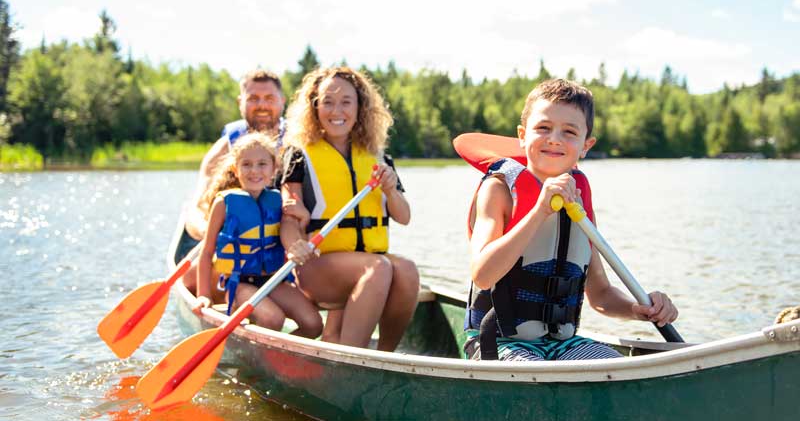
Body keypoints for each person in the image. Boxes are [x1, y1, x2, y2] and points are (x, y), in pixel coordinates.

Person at [463, 79, 678, 361]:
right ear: (522, 135)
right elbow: (483, 273)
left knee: (619, 369)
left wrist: (636, 309)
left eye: (569, 132)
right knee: (536, 376)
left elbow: (600, 295)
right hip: (496, 340)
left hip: (562, 345)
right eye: (543, 128)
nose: (554, 139)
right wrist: (539, 211)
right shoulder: (499, 191)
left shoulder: (579, 200)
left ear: (586, 145)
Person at [280, 66, 420, 350]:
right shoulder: (299, 155)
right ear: (315, 106)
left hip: (367, 263)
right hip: (318, 266)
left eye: (346, 101)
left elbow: (403, 216)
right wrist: (294, 244)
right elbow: (289, 214)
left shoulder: (378, 157)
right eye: (327, 101)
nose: (337, 110)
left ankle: (385, 357)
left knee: (406, 270)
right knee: (378, 267)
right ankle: (353, 358)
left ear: (360, 107)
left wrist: (391, 190)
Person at [193, 132, 322, 338]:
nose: (254, 171)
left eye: (262, 164)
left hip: (274, 280)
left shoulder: (278, 201)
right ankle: (258, 361)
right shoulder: (223, 203)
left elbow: (296, 240)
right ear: (236, 170)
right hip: (240, 284)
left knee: (314, 324)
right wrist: (203, 295)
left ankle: (280, 357)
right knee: (273, 319)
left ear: (274, 169)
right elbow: (207, 252)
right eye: (246, 164)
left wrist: (304, 219)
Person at [182, 69, 291, 298]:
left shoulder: (298, 144)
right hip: (235, 254)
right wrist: (216, 235)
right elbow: (194, 213)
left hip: (281, 251)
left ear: (282, 101)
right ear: (240, 102)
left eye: (269, 98)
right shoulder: (224, 149)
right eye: (253, 98)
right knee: (190, 279)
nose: (262, 105)